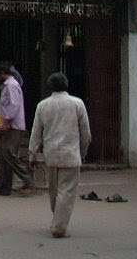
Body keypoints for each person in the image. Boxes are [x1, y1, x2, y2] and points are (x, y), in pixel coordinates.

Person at [29, 72, 92, 238]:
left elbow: (36, 132)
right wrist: (83, 151)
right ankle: (59, 227)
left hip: (51, 155)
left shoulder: (43, 105)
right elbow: (86, 132)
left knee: (54, 191)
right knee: (66, 192)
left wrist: (32, 154)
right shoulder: (77, 103)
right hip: (71, 155)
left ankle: (57, 221)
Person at [0, 62, 34, 196]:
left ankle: (27, 179)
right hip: (9, 124)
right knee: (4, 157)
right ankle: (4, 186)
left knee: (9, 153)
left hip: (13, 126)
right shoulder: (7, 86)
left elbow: (13, 106)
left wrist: (6, 122)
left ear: (2, 73)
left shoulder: (11, 86)